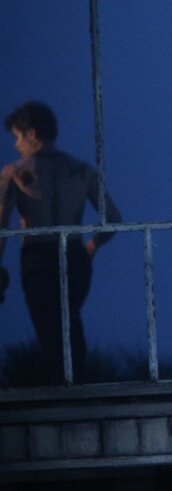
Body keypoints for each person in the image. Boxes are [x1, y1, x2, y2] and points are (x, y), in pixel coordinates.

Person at [0, 101, 121, 384]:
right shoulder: (82, 170)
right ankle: (78, 386)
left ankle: (63, 391)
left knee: (49, 329)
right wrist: (91, 247)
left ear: (31, 134)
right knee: (69, 320)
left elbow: (2, 225)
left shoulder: (14, 172)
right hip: (75, 254)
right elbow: (113, 219)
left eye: (17, 137)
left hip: (38, 257)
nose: (16, 145)